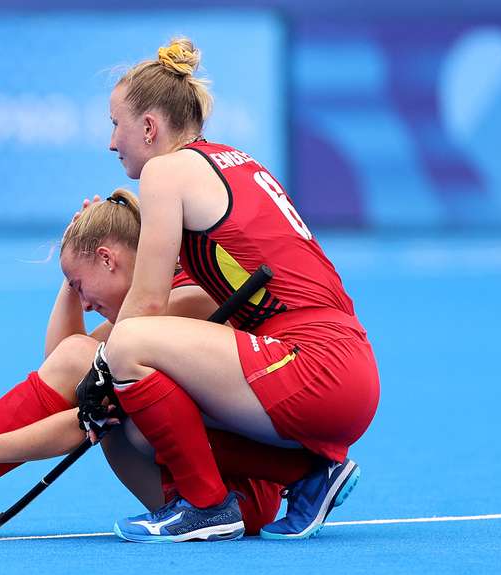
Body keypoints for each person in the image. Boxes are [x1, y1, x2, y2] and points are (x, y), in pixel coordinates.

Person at [0, 190, 296, 541]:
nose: (85, 301)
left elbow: (82, 420)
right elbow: (62, 367)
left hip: (232, 495)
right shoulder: (145, 307)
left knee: (101, 394)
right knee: (91, 373)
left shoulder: (186, 300)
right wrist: (72, 269)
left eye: (80, 284)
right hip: (199, 483)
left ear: (108, 258)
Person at [75, 38, 380, 543]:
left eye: (115, 125)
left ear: (149, 127)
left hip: (312, 365)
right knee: (141, 423)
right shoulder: (231, 161)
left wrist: (101, 366)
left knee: (128, 349)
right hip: (344, 366)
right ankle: (306, 473)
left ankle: (207, 506)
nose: (111, 143)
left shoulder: (164, 171)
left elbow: (147, 309)